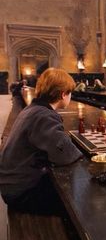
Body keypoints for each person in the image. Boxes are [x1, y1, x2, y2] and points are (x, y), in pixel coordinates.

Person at [0, 68, 83, 215]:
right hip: (22, 191)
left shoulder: (33, 109)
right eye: (70, 93)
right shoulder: (44, 116)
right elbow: (65, 155)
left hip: (13, 182)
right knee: (80, 199)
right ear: (63, 94)